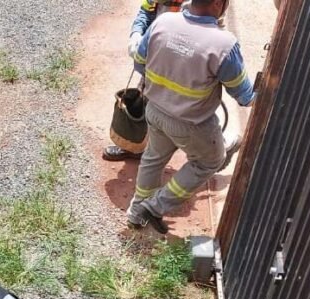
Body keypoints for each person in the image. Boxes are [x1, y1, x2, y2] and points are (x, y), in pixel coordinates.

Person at [126, 0, 255, 233]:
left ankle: (136, 213)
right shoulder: (224, 44)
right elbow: (244, 95)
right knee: (209, 161)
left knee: (153, 158)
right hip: (191, 124)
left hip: (154, 111)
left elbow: (140, 63)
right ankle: (154, 208)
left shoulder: (163, 22)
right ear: (218, 3)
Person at [103, 0, 184, 162]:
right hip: (154, 61)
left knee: (188, 111)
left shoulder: (203, 4)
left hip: (184, 63)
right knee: (146, 103)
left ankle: (215, 149)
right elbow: (146, 11)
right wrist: (136, 35)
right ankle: (135, 146)